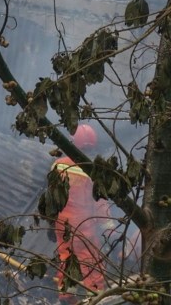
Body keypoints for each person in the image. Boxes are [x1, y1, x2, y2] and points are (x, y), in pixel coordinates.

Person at [52, 124, 110, 304]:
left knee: (67, 258)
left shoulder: (57, 165)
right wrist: (109, 228)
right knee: (91, 261)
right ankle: (96, 297)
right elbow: (100, 203)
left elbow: (50, 195)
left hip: (62, 222)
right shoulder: (92, 170)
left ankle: (66, 297)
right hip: (84, 224)